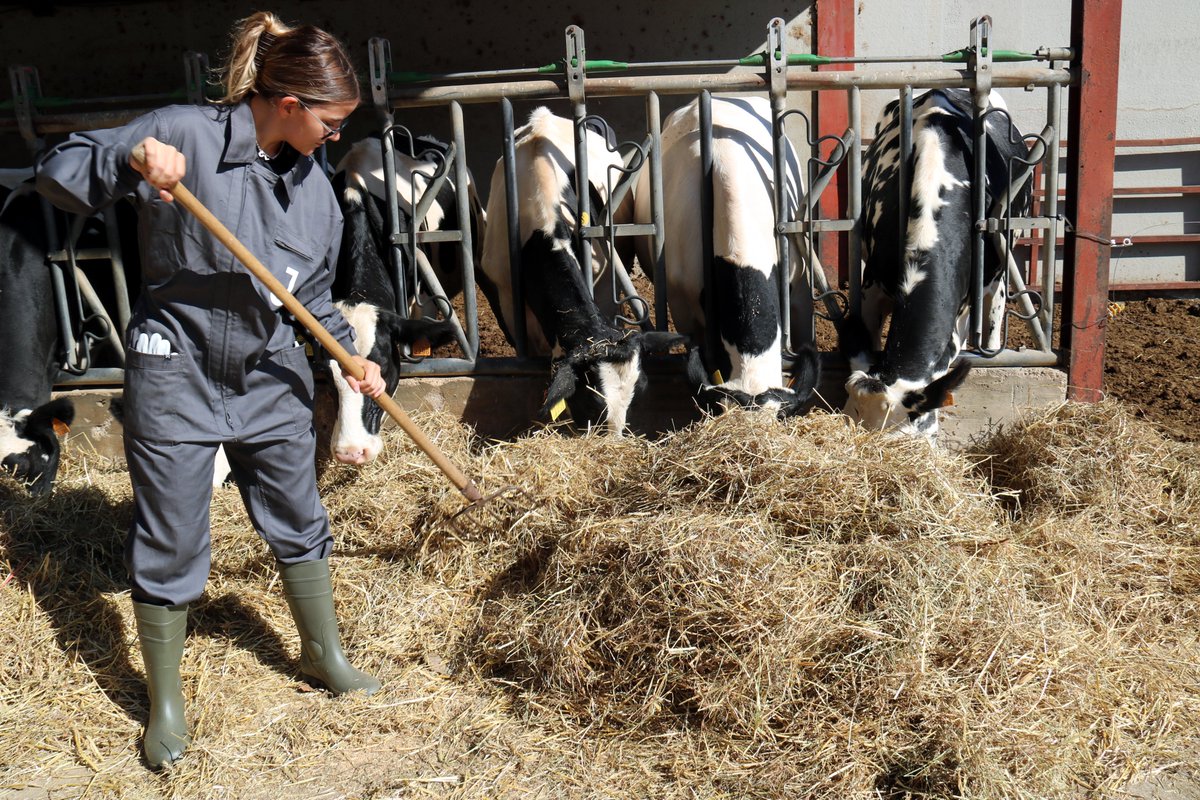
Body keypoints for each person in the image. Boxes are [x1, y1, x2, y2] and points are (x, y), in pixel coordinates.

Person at [36, 11, 386, 770]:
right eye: (329, 122)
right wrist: (132, 155)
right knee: (170, 539)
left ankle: (322, 653)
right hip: (177, 372)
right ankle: (165, 705)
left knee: (300, 512)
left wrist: (347, 354)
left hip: (269, 376)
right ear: (289, 104)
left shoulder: (318, 191)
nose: (334, 136)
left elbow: (313, 297)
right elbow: (59, 173)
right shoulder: (185, 133)